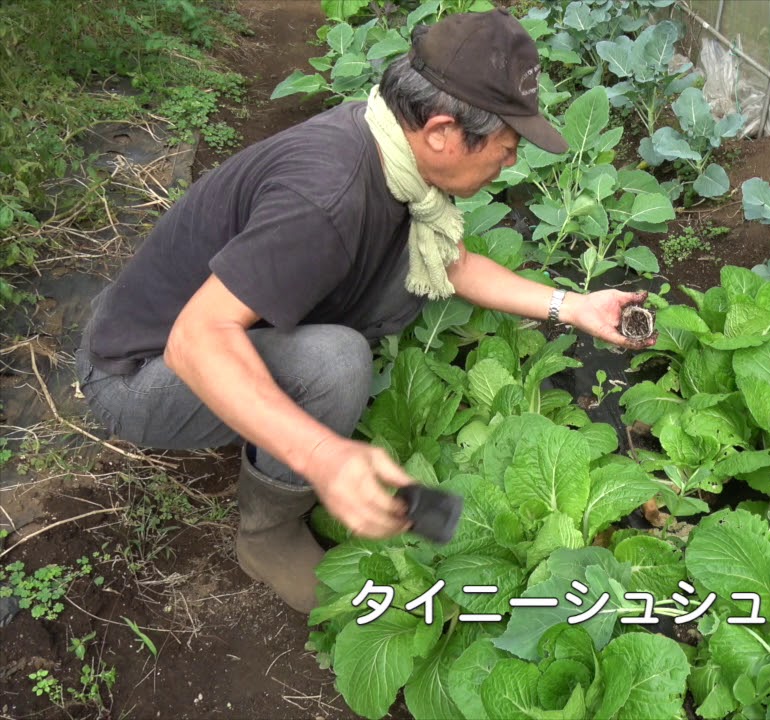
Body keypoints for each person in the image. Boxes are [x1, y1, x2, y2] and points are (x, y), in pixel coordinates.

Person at [74, 9, 652, 613]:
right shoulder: (326, 199)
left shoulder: (389, 147)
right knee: (336, 363)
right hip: (136, 374)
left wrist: (573, 306)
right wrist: (322, 455)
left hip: (179, 324)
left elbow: (448, 262)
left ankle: (271, 414)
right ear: (442, 131)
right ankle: (267, 537)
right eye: (506, 149)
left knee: (404, 271)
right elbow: (195, 339)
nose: (510, 164)